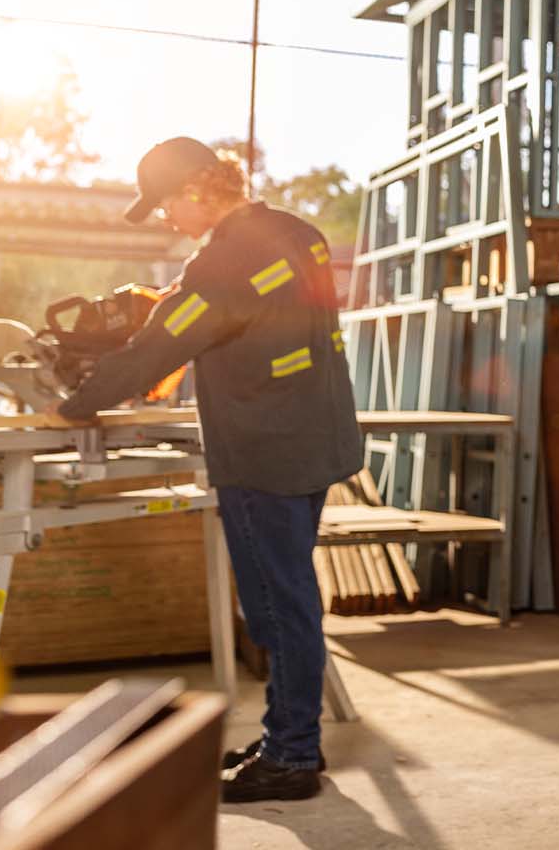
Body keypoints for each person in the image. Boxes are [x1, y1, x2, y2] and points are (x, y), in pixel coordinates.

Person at [57, 137, 361, 803]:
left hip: (264, 448)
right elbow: (240, 310)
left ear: (196, 190)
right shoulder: (292, 231)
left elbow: (161, 347)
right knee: (292, 597)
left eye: (165, 203)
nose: (165, 217)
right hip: (314, 436)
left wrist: (74, 403)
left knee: (278, 609)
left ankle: (291, 757)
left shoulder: (223, 262)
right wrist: (175, 302)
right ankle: (289, 733)